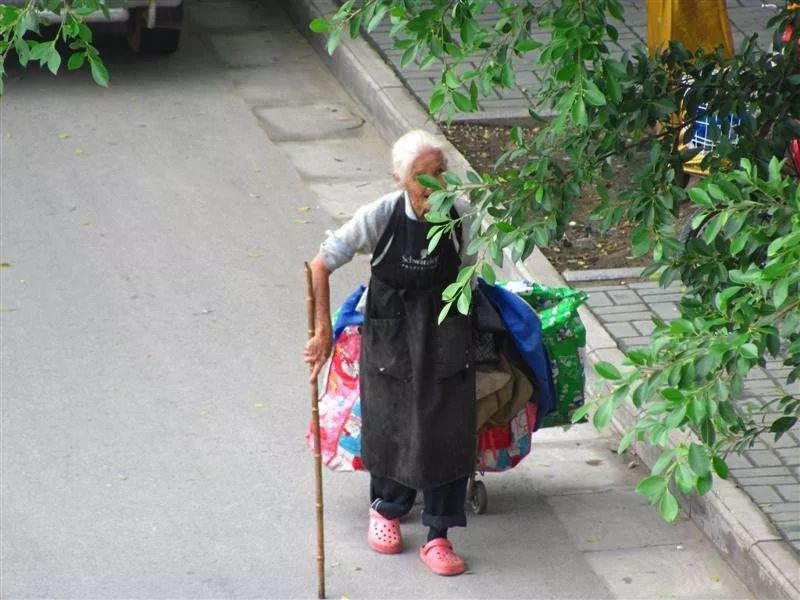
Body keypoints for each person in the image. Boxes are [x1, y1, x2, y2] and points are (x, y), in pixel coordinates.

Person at [304, 130, 477, 576]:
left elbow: (471, 277)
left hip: (444, 329)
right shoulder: (379, 216)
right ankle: (386, 510)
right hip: (390, 332)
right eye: (425, 177)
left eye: (442, 172)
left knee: (448, 426)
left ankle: (438, 534)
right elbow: (320, 264)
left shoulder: (461, 214)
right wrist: (323, 330)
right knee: (391, 418)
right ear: (400, 180)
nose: (438, 185)